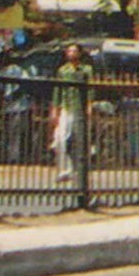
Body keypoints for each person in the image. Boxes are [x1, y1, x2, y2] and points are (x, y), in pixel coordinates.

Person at [50, 43, 93, 183]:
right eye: (69, 51)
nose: (71, 53)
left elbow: (90, 90)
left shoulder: (86, 69)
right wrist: (55, 109)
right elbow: (58, 90)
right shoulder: (63, 71)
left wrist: (89, 105)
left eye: (74, 51)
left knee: (79, 140)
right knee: (59, 138)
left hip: (79, 108)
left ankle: (79, 171)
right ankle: (64, 169)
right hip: (66, 107)